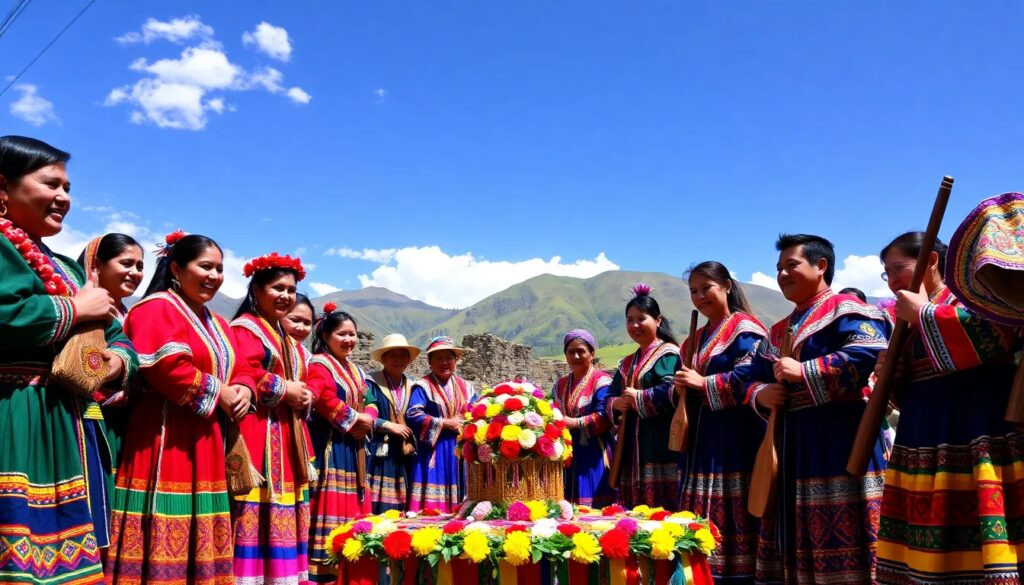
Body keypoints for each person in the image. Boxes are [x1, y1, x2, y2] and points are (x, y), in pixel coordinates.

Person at [0, 136, 138, 584]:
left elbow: (117, 335)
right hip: (14, 413)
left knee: (66, 546)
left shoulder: (68, 268)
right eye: (51, 184)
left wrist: (115, 363)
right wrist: (75, 310)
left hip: (68, 418)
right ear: (3, 187)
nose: (64, 197)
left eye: (68, 187)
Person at [876, 227, 1024, 583]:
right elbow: (908, 393)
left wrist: (926, 314)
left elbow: (995, 334)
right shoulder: (905, 322)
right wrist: (893, 374)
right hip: (922, 437)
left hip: (976, 433)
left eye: (899, 268)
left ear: (930, 261)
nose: (893, 280)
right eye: (887, 273)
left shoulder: (971, 300)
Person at [106, 231, 253, 584]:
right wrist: (221, 392)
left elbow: (242, 364)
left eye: (219, 269)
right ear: (176, 268)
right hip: (164, 432)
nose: (214, 276)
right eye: (206, 266)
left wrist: (244, 388)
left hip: (205, 435)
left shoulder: (217, 322)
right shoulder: (156, 308)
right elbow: (166, 368)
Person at [744, 234, 890, 584]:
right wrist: (762, 393)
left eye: (790, 265)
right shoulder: (778, 330)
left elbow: (870, 352)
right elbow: (749, 379)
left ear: (821, 265)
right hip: (790, 444)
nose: (781, 274)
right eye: (778, 268)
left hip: (840, 438)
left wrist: (807, 370)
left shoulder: (850, 310)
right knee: (791, 530)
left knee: (846, 530)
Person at [674, 262, 769, 583]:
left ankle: (736, 576)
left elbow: (753, 376)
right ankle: (700, 573)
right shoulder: (693, 340)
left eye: (706, 288)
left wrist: (703, 384)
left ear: (727, 286)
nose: (699, 297)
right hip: (702, 438)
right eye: (693, 291)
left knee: (735, 511)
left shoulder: (747, 329)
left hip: (736, 438)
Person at [230, 253, 315, 585]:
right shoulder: (246, 328)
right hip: (258, 434)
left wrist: (304, 395)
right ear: (257, 289)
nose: (286, 295)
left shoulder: (285, 337)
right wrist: (286, 389)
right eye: (277, 287)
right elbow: (245, 371)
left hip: (285, 436)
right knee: (257, 507)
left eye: (291, 289)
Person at [305, 305, 374, 583]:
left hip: (354, 447)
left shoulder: (355, 369)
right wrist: (354, 419)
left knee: (355, 502)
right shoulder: (320, 364)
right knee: (331, 502)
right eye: (342, 334)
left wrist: (368, 417)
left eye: (353, 334)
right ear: (326, 335)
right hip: (332, 447)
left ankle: (354, 565)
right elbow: (323, 398)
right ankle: (324, 570)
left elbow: (369, 400)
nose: (349, 340)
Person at [605, 284, 682, 508]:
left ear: (658, 320)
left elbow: (673, 390)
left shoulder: (669, 354)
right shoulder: (627, 362)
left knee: (663, 509)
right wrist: (617, 403)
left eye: (641, 318)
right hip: (631, 447)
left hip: (660, 443)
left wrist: (639, 398)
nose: (635, 325)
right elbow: (609, 397)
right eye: (629, 320)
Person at [77, 233, 144, 477]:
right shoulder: (76, 305)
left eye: (139, 266)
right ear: (97, 265)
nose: (135, 273)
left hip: (125, 425)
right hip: (86, 418)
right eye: (126, 263)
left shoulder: (134, 315)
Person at [406, 336, 476, 513]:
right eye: (438, 358)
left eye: (449, 358)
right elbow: (413, 414)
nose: (445, 362)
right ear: (430, 362)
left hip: (461, 449)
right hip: (434, 450)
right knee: (433, 507)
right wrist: (444, 423)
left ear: (456, 360)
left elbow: (477, 411)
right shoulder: (422, 386)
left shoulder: (466, 387)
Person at [552, 329, 616, 507]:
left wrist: (573, 422)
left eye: (581, 351)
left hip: (595, 452)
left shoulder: (602, 381)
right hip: (567, 453)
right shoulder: (560, 385)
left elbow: (605, 415)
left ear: (592, 353)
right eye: (571, 352)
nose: (576, 356)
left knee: (597, 509)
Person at [365, 333, 420, 512]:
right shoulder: (370, 383)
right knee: (377, 499)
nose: (398, 360)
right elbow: (363, 413)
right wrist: (387, 425)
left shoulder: (413, 386)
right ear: (383, 358)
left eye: (403, 355)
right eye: (393, 355)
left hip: (404, 452)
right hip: (379, 450)